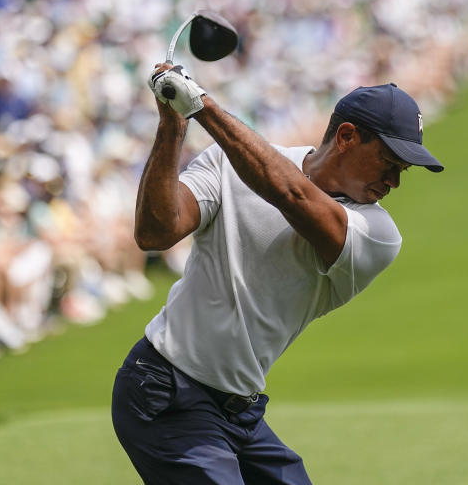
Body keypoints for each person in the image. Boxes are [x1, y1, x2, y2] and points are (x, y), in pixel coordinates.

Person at [111, 63, 443, 484]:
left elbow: (289, 193)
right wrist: (173, 124)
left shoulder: (378, 235)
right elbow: (155, 232)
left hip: (239, 410)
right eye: (389, 161)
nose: (395, 181)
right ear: (346, 137)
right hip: (164, 392)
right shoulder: (229, 160)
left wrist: (200, 105)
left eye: (403, 170)